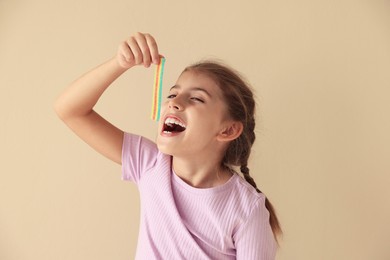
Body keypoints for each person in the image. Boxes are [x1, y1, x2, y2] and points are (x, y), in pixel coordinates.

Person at [54, 32, 282, 259]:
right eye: (173, 93)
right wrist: (119, 63)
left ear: (228, 130)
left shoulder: (248, 209)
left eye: (196, 98)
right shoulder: (149, 164)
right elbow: (70, 110)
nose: (174, 102)